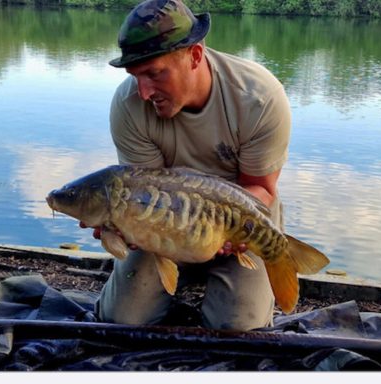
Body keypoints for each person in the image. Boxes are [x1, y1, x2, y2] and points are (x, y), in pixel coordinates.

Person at [89, 0, 291, 331]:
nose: (143, 92)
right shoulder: (129, 105)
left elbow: (261, 189)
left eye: (154, 74)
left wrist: (227, 230)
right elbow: (141, 194)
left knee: (239, 330)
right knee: (123, 322)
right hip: (166, 225)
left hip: (237, 224)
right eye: (135, 76)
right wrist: (127, 226)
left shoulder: (259, 98)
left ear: (195, 56)